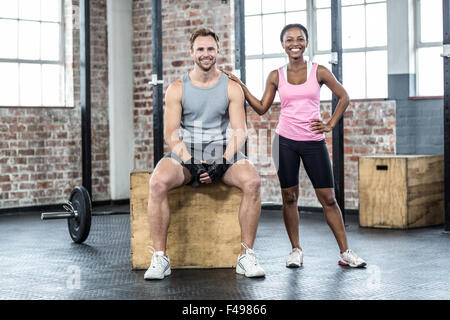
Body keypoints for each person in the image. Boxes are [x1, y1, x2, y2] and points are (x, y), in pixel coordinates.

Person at [221, 24, 366, 268]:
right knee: (289, 197)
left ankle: (345, 251)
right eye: (289, 40)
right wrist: (241, 86)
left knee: (328, 199)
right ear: (283, 44)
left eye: (300, 39)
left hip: (313, 142)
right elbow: (262, 107)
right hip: (285, 142)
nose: (295, 43)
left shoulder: (318, 71)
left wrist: (330, 123)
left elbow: (344, 96)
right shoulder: (276, 75)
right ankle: (295, 250)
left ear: (306, 43)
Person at [144, 28, 266, 280]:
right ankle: (160, 257)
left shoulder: (232, 87)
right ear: (192, 52)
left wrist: (221, 163)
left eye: (211, 49)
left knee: (253, 182)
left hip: (222, 151)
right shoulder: (177, 88)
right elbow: (170, 133)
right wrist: (191, 165)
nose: (206, 54)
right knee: (156, 183)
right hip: (186, 153)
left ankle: (247, 255)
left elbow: (240, 131)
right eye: (200, 49)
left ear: (218, 51)